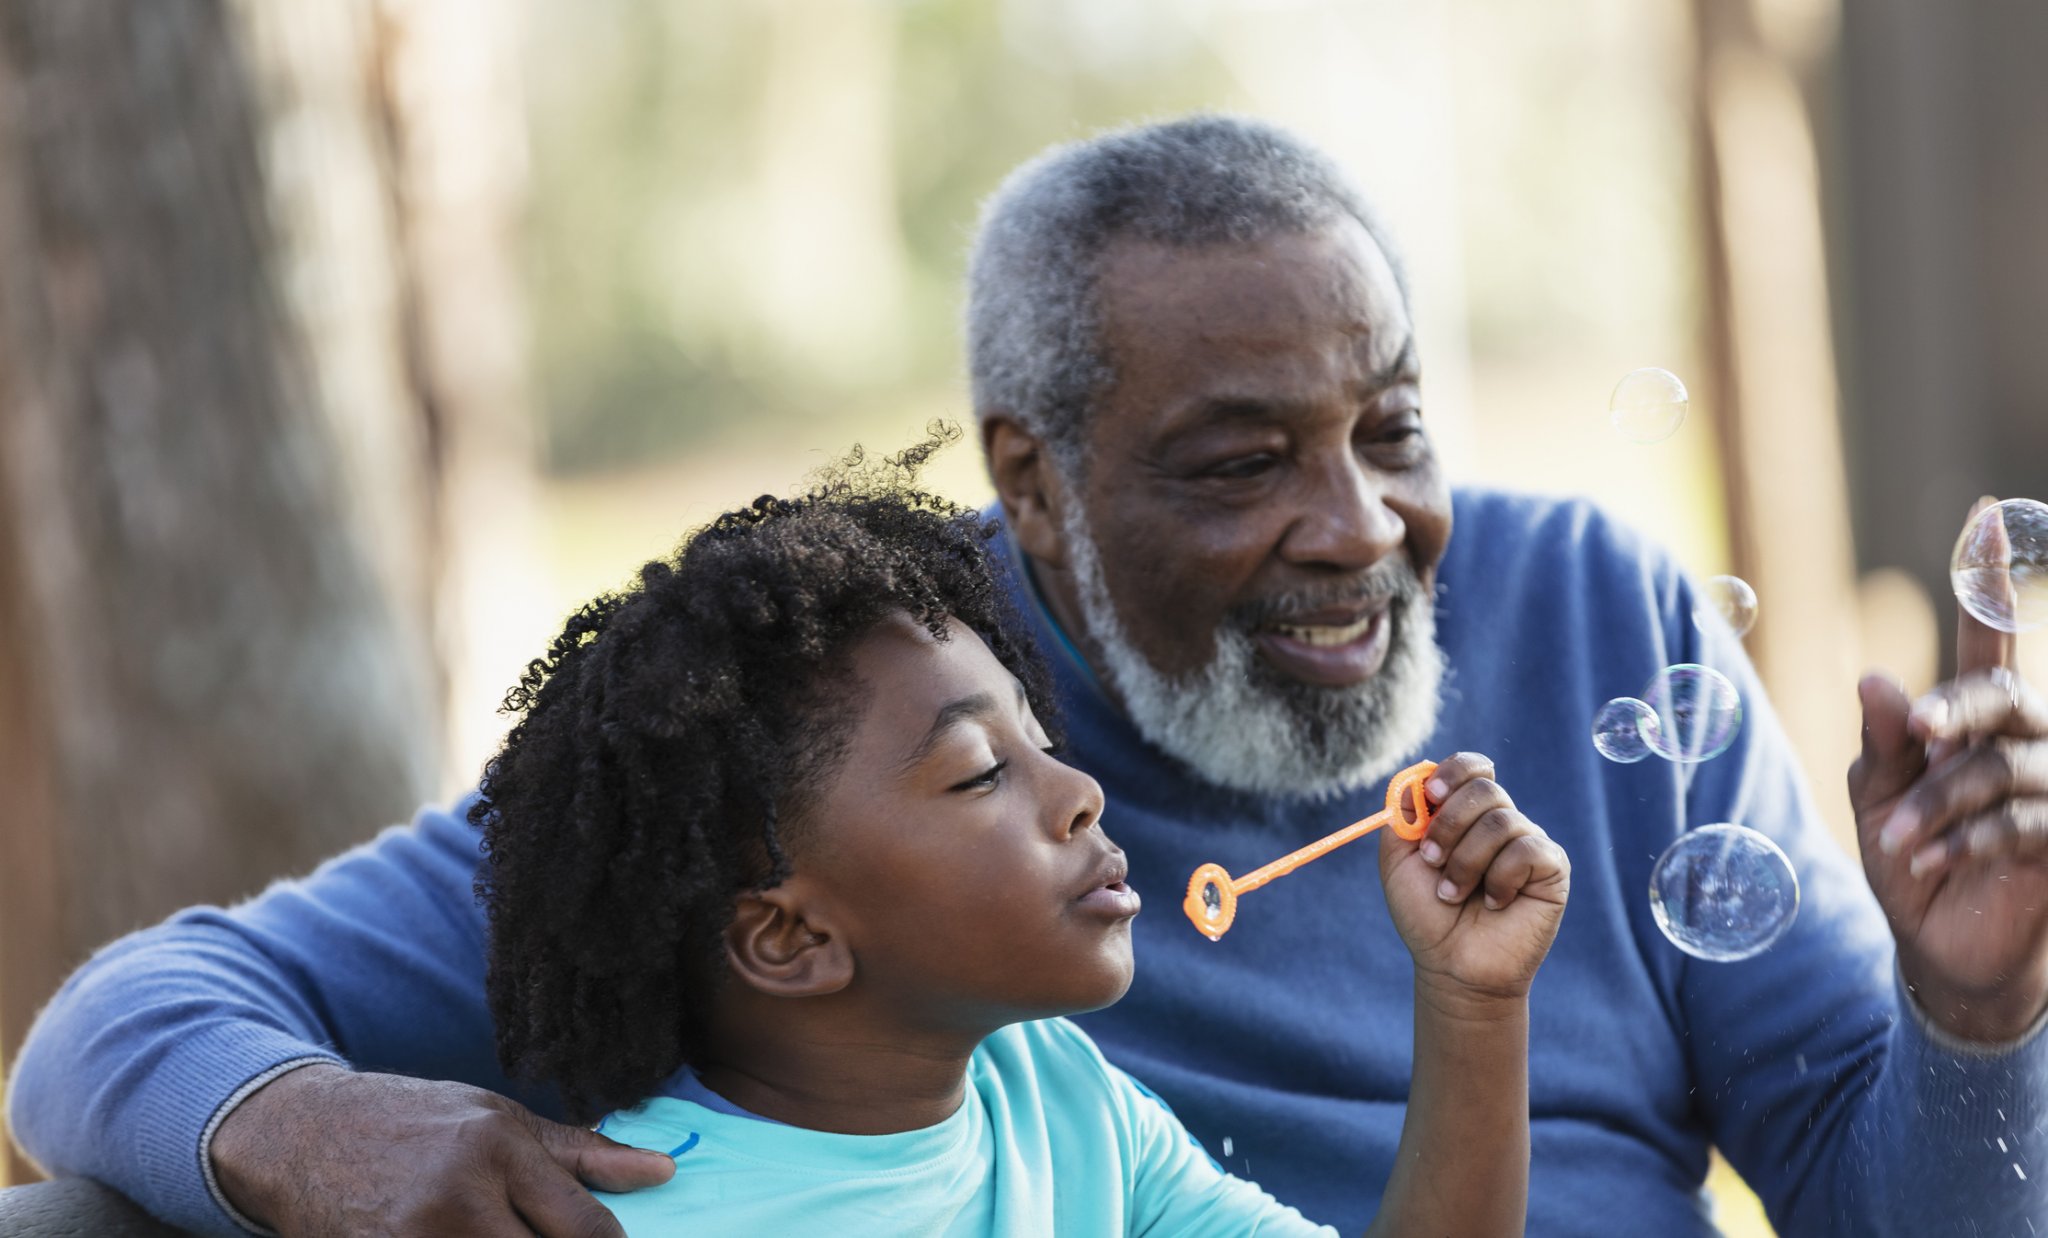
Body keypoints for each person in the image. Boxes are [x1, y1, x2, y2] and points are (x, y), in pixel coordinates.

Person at [8, 114, 2047, 1237]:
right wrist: (304, 1124)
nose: (1354, 527)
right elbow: (120, 1018)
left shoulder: (1594, 608)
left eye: (1394, 429)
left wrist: (1971, 1010)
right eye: (1239, 460)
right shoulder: (839, 739)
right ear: (1034, 482)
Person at [468, 439, 1566, 1235]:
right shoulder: (650, 1219)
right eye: (982, 770)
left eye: (1042, 740)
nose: (1079, 790)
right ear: (789, 939)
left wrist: (1473, 999)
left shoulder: (1049, 1096)